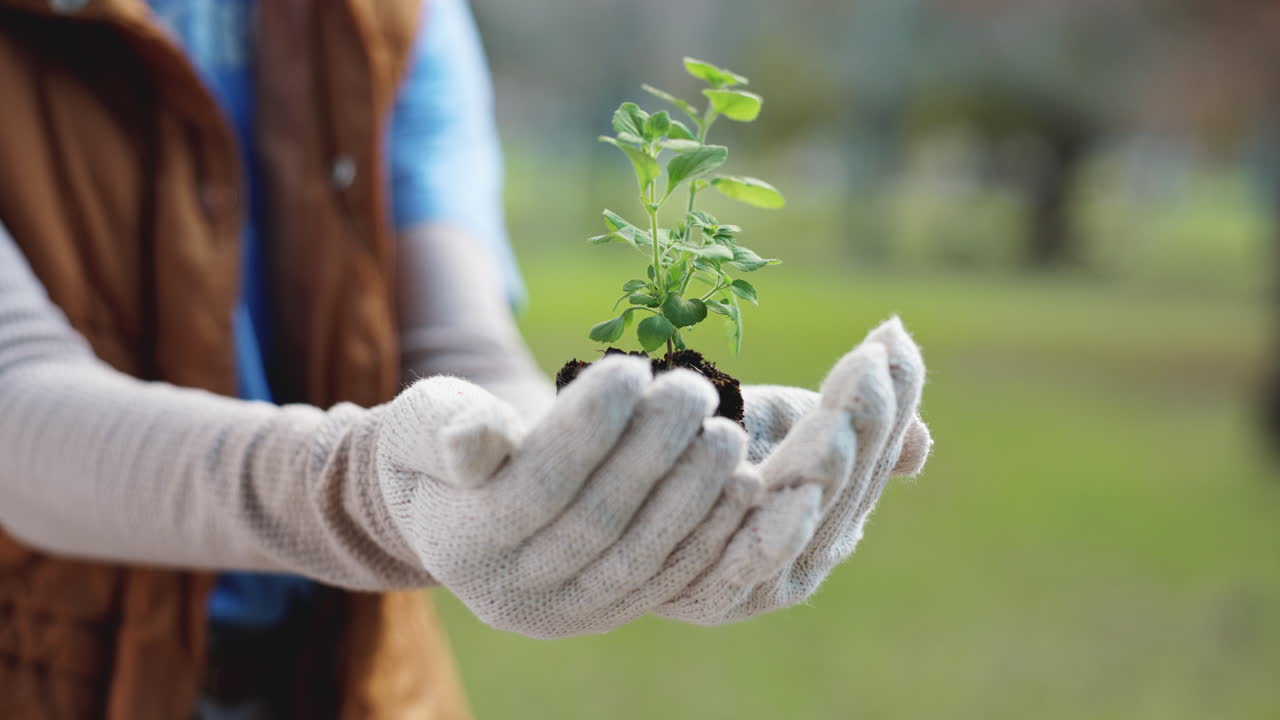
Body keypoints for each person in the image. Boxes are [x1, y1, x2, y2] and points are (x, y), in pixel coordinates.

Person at [0, 0, 933, 718]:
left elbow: (459, 346)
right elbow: (17, 400)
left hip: (360, 682)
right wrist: (364, 490)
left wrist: (581, 475)